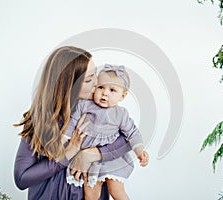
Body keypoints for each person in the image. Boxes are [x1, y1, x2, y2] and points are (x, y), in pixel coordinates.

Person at [13, 46, 134, 200]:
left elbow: (129, 140)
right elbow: (22, 179)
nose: (98, 84)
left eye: (95, 76)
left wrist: (89, 155)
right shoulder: (42, 119)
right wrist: (69, 153)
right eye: (90, 79)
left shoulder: (101, 111)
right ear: (69, 85)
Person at [64, 64, 149, 200]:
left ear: (123, 95)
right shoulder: (84, 105)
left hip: (111, 160)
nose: (105, 93)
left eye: (112, 90)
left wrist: (139, 151)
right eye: (101, 87)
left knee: (116, 191)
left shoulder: (120, 114)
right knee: (90, 194)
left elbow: (132, 133)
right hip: (90, 163)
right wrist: (64, 139)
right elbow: (72, 122)